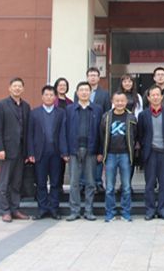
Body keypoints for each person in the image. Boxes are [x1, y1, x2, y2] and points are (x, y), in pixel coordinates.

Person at [61, 82, 103, 221]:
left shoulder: (97, 109)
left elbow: (101, 132)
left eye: (86, 90)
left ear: (90, 93)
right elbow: (64, 130)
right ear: (77, 93)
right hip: (74, 150)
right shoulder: (69, 109)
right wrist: (65, 151)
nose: (84, 92)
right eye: (81, 90)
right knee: (74, 182)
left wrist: (100, 151)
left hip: (91, 150)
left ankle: (89, 210)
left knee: (90, 182)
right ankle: (75, 211)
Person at [0, 77, 31, 223]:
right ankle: (5, 211)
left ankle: (15, 209)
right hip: (6, 150)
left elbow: (27, 129)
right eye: (15, 86)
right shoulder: (1, 105)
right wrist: (0, 148)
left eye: (20, 86)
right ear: (9, 88)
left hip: (21, 151)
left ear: (23, 89)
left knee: (16, 182)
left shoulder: (26, 106)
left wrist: (28, 151)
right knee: (5, 182)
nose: (17, 88)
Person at [27, 85, 66, 220]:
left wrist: (64, 152)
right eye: (46, 95)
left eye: (51, 95)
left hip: (56, 153)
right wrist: (30, 152)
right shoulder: (34, 113)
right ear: (42, 96)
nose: (49, 97)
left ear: (55, 97)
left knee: (55, 183)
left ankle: (54, 209)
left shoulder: (61, 113)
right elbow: (30, 134)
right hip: (40, 153)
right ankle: (42, 208)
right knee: (41, 183)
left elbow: (63, 133)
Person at [137, 85, 164, 220]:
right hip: (150, 153)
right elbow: (140, 134)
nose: (155, 97)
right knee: (149, 184)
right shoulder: (143, 115)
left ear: (162, 97)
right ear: (148, 98)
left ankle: (162, 209)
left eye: (157, 94)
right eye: (152, 95)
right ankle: (150, 210)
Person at [100, 91, 137, 222]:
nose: (120, 103)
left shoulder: (131, 117)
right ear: (112, 102)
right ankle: (110, 212)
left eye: (122, 101)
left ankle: (126, 212)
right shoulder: (106, 117)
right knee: (109, 187)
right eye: (117, 101)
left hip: (125, 155)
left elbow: (135, 135)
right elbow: (101, 135)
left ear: (126, 102)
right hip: (110, 154)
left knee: (126, 186)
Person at [87, 67, 110, 193]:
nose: (92, 77)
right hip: (84, 129)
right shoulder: (80, 91)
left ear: (99, 78)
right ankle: (84, 182)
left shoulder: (105, 94)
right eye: (90, 75)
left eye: (95, 75)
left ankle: (98, 181)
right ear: (87, 77)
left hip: (99, 128)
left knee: (99, 155)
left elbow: (107, 112)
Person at [53, 77, 72, 193]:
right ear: (56, 87)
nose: (62, 87)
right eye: (60, 85)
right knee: (55, 163)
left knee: (62, 163)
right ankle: (55, 186)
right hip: (54, 136)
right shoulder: (52, 100)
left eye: (64, 85)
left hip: (66, 135)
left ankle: (60, 187)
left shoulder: (70, 102)